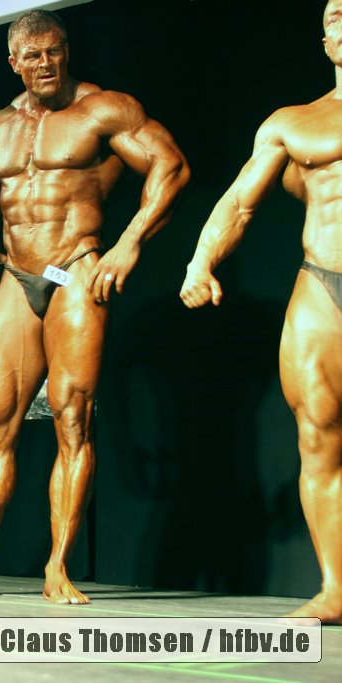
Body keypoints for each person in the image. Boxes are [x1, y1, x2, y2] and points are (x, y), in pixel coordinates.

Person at [0, 10, 190, 603]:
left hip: (75, 268)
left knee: (71, 418)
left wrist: (128, 244)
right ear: (13, 62)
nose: (45, 63)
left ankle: (57, 567)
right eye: (32, 55)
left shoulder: (102, 109)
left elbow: (171, 165)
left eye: (54, 51)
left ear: (66, 51)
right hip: (17, 276)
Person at [179, 0, 342, 625]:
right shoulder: (293, 123)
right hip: (322, 283)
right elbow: (239, 203)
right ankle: (335, 589)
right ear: (322, 38)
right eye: (333, 15)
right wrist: (200, 262)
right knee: (317, 434)